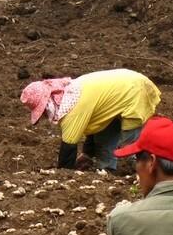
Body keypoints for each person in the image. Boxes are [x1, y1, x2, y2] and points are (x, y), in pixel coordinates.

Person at [20, 69, 161, 172]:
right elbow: (95, 123)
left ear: (47, 104)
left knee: (130, 144)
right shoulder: (70, 92)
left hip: (134, 90)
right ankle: (107, 170)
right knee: (103, 135)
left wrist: (63, 174)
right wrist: (87, 154)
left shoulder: (72, 110)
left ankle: (145, 170)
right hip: (122, 88)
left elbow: (68, 147)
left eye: (42, 111)